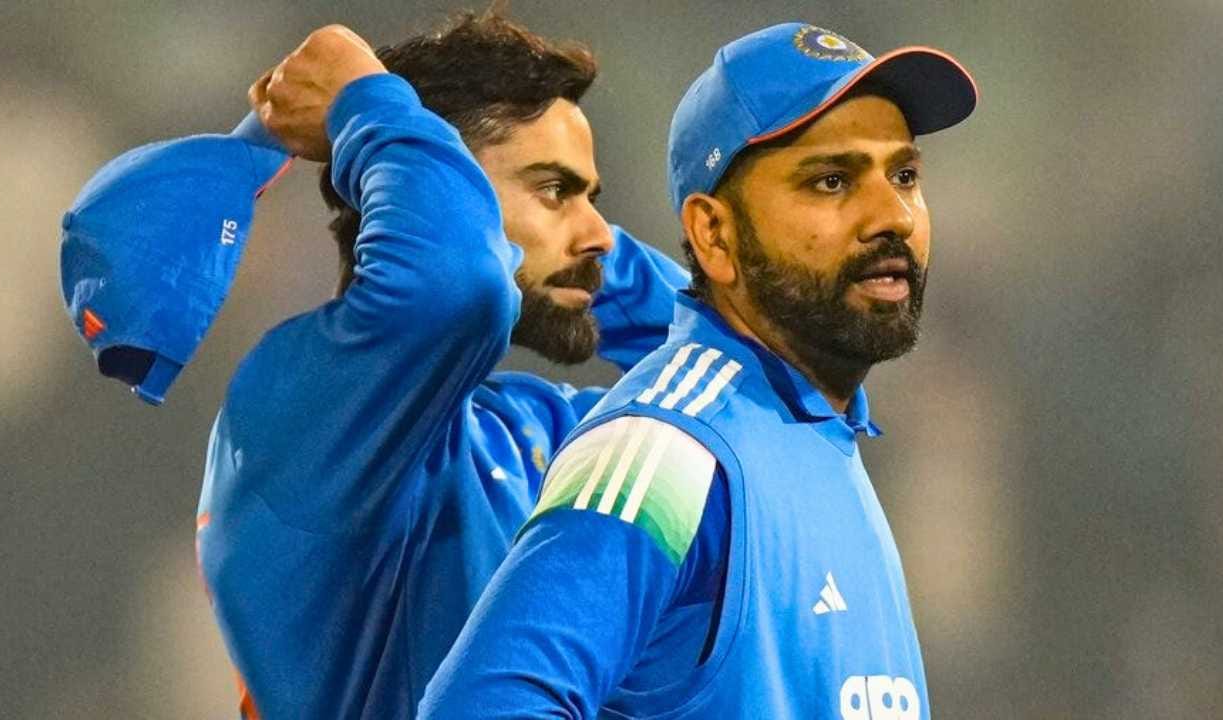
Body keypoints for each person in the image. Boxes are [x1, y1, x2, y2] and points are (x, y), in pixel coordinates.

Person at [419, 22, 978, 719]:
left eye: (904, 176)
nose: (891, 215)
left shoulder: (819, 433)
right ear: (714, 234)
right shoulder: (668, 447)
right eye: (832, 181)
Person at [195, 14, 686, 720]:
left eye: (591, 199)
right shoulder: (302, 409)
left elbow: (733, 378)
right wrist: (367, 106)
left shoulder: (535, 424)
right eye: (555, 190)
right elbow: (454, 283)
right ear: (450, 197)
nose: (601, 234)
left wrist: (575, 252)